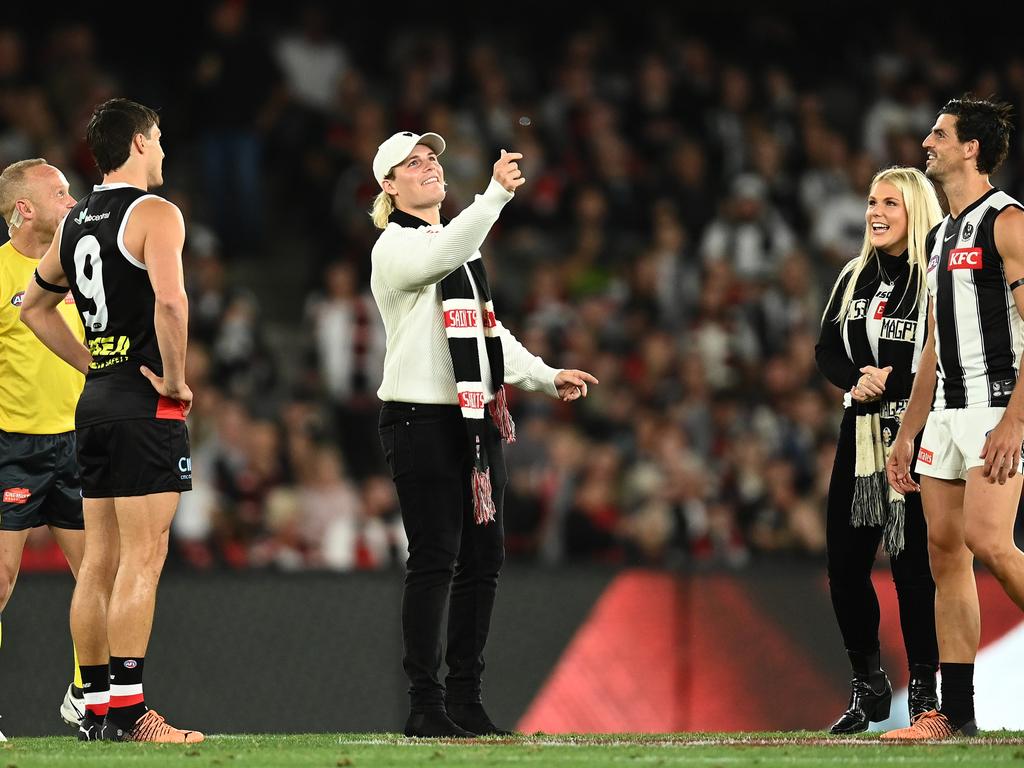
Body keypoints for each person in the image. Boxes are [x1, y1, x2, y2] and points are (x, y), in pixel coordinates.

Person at [369, 131, 598, 737]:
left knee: (483, 558)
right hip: (420, 419)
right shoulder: (395, 247)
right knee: (436, 556)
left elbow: (487, 335)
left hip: (470, 418)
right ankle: (425, 702)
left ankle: (465, 697)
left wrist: (546, 376)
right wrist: (494, 195)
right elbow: (441, 254)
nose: (429, 168)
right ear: (388, 188)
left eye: (432, 159)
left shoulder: (459, 249)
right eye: (412, 164)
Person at [20, 98, 202, 744]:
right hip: (143, 404)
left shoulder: (73, 225)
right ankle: (129, 710)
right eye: (157, 138)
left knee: (98, 559)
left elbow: (33, 308)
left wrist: (93, 362)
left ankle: (96, 711)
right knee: (142, 560)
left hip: (95, 405)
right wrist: (176, 380)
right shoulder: (154, 213)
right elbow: (171, 303)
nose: (162, 149)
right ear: (140, 144)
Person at [885, 96, 1024, 740]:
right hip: (944, 410)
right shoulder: (941, 235)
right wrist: (910, 429)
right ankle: (955, 716)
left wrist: (1014, 422)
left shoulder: (1008, 223)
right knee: (946, 558)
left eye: (939, 134)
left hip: (996, 406)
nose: (927, 141)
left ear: (972, 148)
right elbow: (936, 343)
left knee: (991, 542)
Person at [815, 166, 943, 733]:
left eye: (890, 202)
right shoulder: (853, 275)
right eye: (872, 201)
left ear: (915, 210)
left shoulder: (935, 276)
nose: (876, 212)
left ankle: (924, 695)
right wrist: (855, 379)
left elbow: (942, 361)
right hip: (860, 434)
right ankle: (868, 683)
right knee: (844, 565)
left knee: (913, 567)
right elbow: (824, 349)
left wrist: (886, 383)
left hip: (917, 435)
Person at [0, 159, 87, 737]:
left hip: (81, 442)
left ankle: (90, 695)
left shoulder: (80, 266)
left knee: (100, 575)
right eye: (59, 191)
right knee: (1, 576)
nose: (72, 198)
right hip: (13, 446)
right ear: (24, 208)